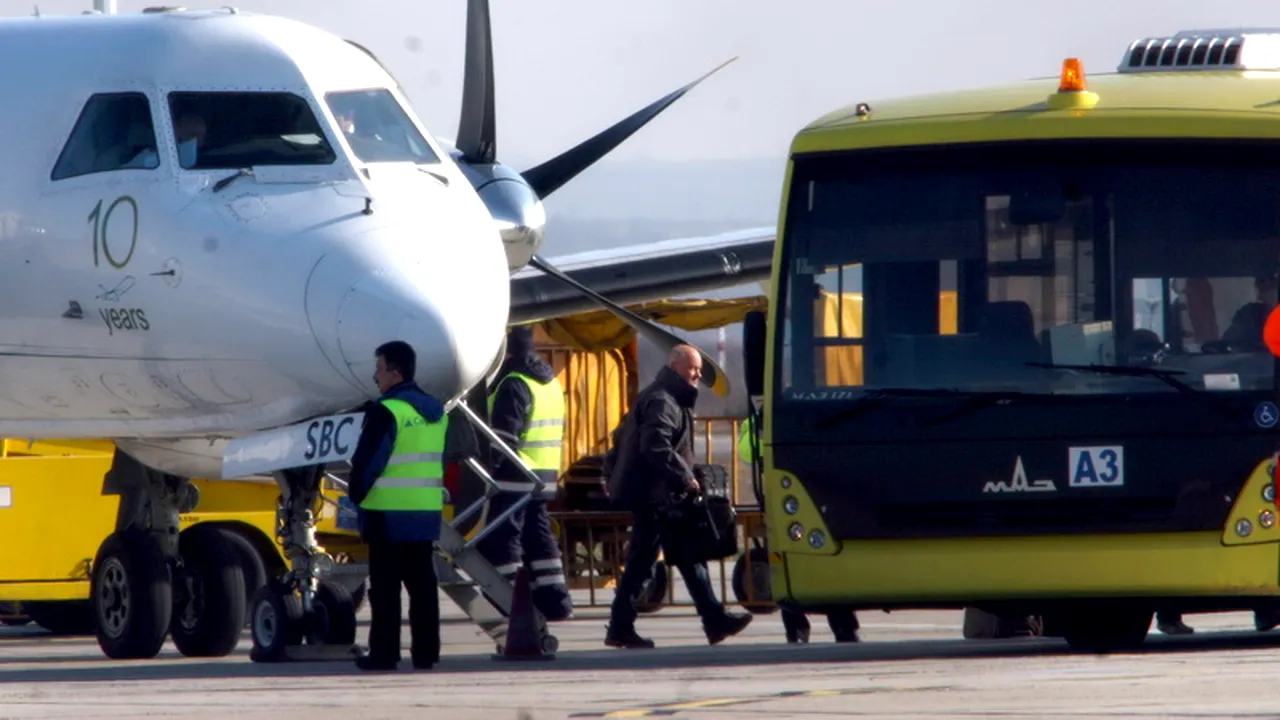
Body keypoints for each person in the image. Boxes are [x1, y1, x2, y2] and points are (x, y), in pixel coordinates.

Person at [603, 344, 753, 649]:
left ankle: (713, 620)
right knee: (648, 562)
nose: (698, 374)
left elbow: (621, 439)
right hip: (656, 497)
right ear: (675, 367)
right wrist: (684, 476)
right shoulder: (663, 400)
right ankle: (623, 626)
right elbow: (655, 446)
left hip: (656, 494)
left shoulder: (665, 397)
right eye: (693, 368)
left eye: (698, 369)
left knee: (683, 556)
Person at [347, 340, 477, 671]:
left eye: (378, 370)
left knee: (386, 590)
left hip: (387, 514)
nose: (375, 377)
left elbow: (369, 463)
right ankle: (426, 652)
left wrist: (355, 495)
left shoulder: (388, 412)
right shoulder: (437, 414)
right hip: (424, 514)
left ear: (395, 372)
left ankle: (384, 653)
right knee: (422, 588)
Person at [475, 325, 574, 621]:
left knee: (502, 541)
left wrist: (484, 472)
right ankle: (555, 601)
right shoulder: (550, 383)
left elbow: (504, 438)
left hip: (514, 476)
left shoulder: (513, 383)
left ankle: (510, 600)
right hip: (543, 477)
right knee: (540, 540)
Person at [736, 414, 860, 643]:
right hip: (786, 494)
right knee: (789, 563)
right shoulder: (766, 416)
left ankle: (837, 626)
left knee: (824, 561)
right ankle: (810, 628)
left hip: (814, 491)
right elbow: (747, 451)